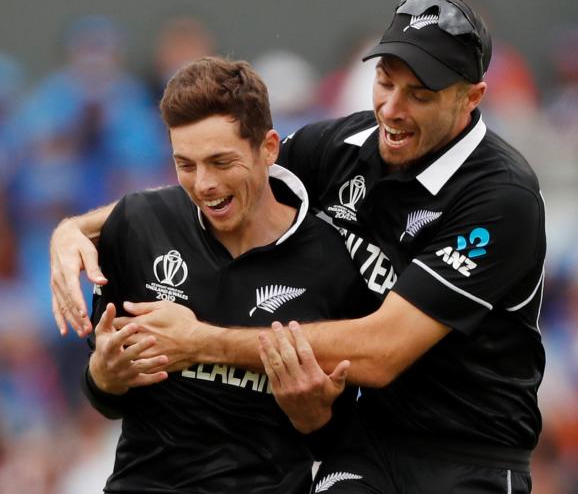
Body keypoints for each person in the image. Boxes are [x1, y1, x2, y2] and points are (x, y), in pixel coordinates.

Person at [50, 0, 546, 493]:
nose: (391, 109)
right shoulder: (345, 146)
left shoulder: (502, 198)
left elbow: (383, 351)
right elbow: (223, 179)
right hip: (363, 442)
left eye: (419, 94)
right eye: (384, 82)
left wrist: (201, 342)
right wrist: (75, 229)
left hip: (467, 451)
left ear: (472, 97)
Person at [76, 56, 377, 493]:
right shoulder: (138, 226)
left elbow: (340, 438)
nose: (203, 184)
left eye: (221, 162)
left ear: (269, 148)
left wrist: (313, 417)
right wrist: (103, 376)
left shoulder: (333, 263)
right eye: (186, 164)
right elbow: (106, 397)